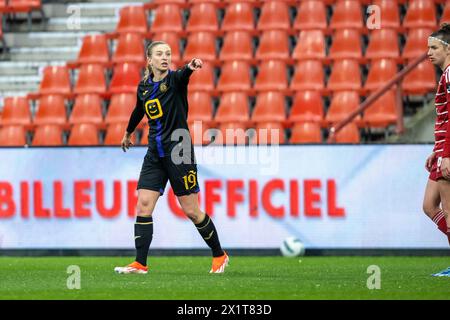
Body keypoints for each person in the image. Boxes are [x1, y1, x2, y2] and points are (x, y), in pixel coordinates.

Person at [114, 41, 229, 274]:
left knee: (191, 211)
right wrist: (128, 132)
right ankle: (140, 263)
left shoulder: (175, 80)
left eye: (168, 53)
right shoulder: (144, 86)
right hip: (154, 153)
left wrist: (191, 66)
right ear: (149, 60)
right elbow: (139, 110)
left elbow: (184, 74)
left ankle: (219, 255)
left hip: (180, 151)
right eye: (159, 54)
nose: (165, 57)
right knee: (143, 205)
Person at [423, 24, 450, 253]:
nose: (429, 53)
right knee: (430, 206)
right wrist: (437, 149)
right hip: (442, 150)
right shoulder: (445, 76)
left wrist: (447, 154)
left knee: (449, 212)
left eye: (434, 48)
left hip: (448, 153)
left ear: (448, 49)